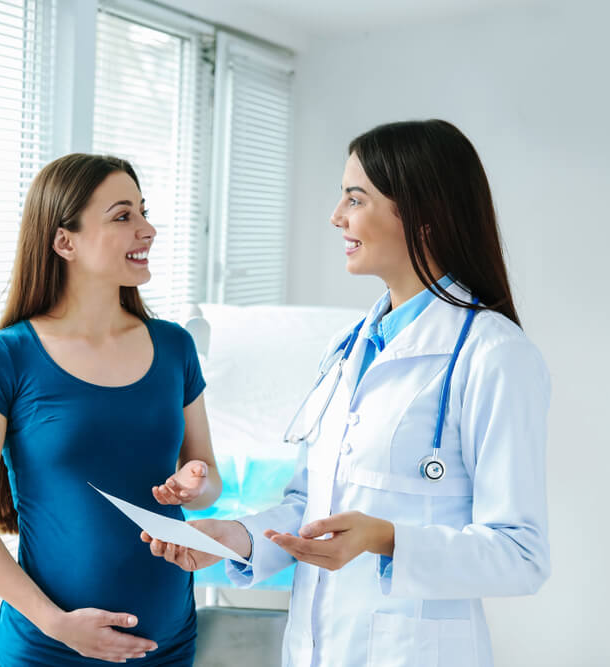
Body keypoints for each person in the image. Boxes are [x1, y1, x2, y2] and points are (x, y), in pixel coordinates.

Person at [142, 119, 550, 667]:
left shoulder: (493, 354)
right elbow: (309, 505)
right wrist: (231, 537)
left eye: (355, 199)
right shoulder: (348, 346)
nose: (337, 216)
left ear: (424, 216)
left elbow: (520, 555)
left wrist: (383, 538)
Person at [0, 153, 222, 666]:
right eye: (123, 216)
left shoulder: (175, 347)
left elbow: (207, 484)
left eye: (143, 211)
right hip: (48, 650)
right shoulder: (2, 357)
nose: (148, 229)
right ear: (63, 241)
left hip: (168, 646)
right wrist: (58, 625)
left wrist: (197, 482)